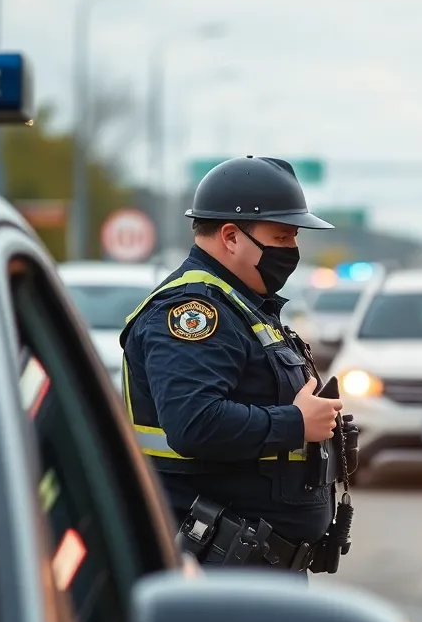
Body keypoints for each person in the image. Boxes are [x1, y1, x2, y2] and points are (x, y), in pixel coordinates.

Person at [119, 155, 354, 581]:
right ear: (230, 236)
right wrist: (296, 423)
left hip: (256, 569)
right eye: (282, 237)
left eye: (295, 237)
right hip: (218, 571)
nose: (292, 251)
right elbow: (195, 424)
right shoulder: (195, 311)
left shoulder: (244, 306)